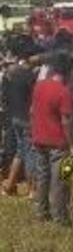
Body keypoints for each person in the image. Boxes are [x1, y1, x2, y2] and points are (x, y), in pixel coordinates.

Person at [29, 52, 73, 223]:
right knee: (60, 181)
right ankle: (60, 216)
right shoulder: (64, 92)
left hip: (38, 138)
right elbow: (66, 121)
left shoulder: (39, 85)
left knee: (42, 177)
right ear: (67, 72)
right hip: (58, 142)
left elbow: (32, 111)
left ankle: (41, 211)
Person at [1, 48, 35, 196]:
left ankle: (10, 184)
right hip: (26, 117)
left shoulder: (9, 74)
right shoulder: (28, 74)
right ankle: (32, 189)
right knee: (29, 153)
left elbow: (5, 97)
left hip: (14, 116)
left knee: (20, 152)